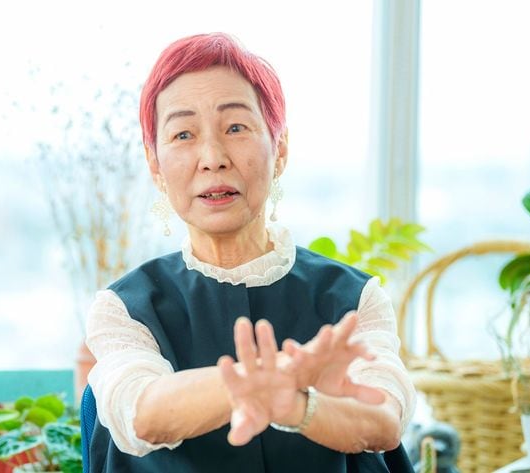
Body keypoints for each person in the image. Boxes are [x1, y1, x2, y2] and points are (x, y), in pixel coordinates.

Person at [85, 32, 416, 472]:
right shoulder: (123, 309)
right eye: (183, 134)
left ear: (280, 149)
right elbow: (142, 413)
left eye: (236, 127)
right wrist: (271, 378)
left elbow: (384, 421)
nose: (212, 157)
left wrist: (294, 405)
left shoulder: (356, 299)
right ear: (155, 166)